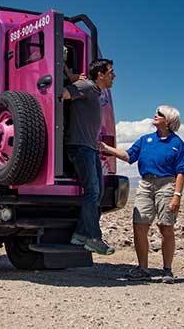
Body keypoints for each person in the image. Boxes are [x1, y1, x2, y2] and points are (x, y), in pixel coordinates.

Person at [100, 105, 184, 283]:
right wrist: (107, 149)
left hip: (167, 185)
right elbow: (128, 156)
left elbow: (181, 171)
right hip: (145, 184)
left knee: (166, 227)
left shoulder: (177, 143)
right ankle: (142, 269)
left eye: (160, 114)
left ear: (168, 120)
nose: (155, 115)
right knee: (139, 225)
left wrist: (177, 195)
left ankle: (167, 270)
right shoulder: (145, 140)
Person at [62, 59, 116, 255]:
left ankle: (81, 234)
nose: (114, 75)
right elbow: (63, 94)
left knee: (98, 191)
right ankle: (94, 238)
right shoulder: (85, 86)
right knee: (92, 191)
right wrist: (71, 80)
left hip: (90, 148)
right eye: (110, 72)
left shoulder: (96, 92)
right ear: (100, 74)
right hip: (78, 147)